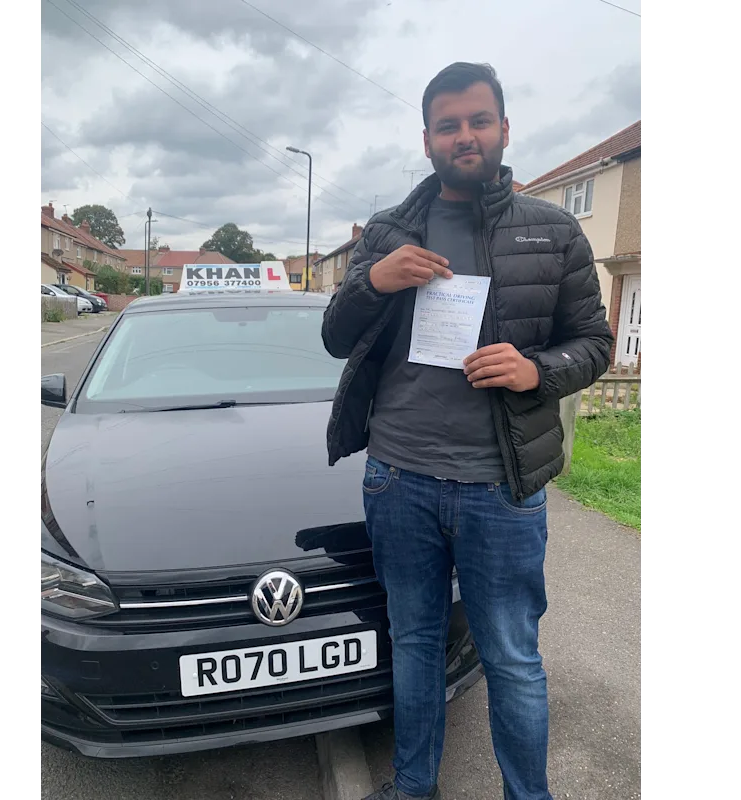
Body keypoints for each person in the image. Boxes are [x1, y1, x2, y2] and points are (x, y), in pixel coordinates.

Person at [321, 62, 613, 800]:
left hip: (499, 487)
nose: (465, 135)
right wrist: (373, 280)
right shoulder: (390, 232)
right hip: (399, 476)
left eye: (479, 120)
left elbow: (595, 344)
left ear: (504, 129)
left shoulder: (553, 231)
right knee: (415, 643)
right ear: (427, 140)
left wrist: (535, 371)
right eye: (448, 125)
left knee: (512, 656)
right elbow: (334, 336)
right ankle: (412, 787)